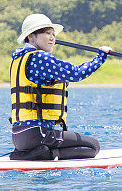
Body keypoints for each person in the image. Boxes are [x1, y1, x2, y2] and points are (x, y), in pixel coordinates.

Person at [10, 13, 111, 160]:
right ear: (31, 37)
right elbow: (76, 73)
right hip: (39, 134)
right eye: (46, 33)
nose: (52, 38)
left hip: (20, 137)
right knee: (93, 146)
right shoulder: (40, 58)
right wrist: (100, 57)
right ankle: (45, 154)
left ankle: (28, 153)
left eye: (53, 34)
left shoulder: (20, 58)